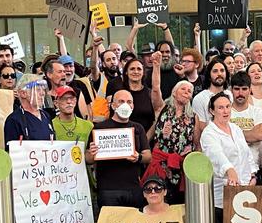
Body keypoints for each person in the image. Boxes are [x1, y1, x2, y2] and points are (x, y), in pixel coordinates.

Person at [3, 75, 66, 223]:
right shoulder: (14, 120)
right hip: (27, 189)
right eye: (36, 89)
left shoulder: (47, 118)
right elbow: (13, 152)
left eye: (42, 89)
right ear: (21, 93)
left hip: (49, 185)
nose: (41, 92)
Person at [200, 92, 258, 223]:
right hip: (221, 196)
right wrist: (229, 170)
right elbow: (216, 155)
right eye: (220, 107)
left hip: (243, 193)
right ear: (212, 111)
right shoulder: (209, 133)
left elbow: (247, 154)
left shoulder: (236, 128)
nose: (225, 111)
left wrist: (252, 174)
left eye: (227, 107)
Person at [49, 85, 93, 223]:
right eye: (64, 99)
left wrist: (90, 157)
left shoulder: (87, 126)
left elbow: (93, 155)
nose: (68, 102)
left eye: (72, 99)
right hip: (59, 186)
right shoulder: (50, 126)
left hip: (84, 184)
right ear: (56, 103)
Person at [86, 89, 151, 213]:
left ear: (133, 106)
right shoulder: (99, 128)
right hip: (108, 190)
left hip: (133, 188)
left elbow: (148, 155)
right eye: (121, 101)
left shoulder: (138, 128)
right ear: (113, 105)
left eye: (129, 102)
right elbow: (88, 159)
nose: (125, 105)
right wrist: (91, 154)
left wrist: (139, 157)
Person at [144, 67, 195, 204]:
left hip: (181, 165)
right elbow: (155, 88)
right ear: (174, 92)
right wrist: (156, 65)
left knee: (179, 204)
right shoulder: (162, 108)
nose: (186, 92)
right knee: (159, 200)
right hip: (161, 164)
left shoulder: (193, 117)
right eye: (183, 89)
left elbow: (197, 141)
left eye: (189, 91)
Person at [229, 72, 262, 168]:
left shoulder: (258, 112)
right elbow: (220, 137)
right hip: (230, 166)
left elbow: (259, 135)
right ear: (231, 90)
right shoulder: (225, 112)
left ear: (250, 90)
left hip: (253, 167)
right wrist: (250, 134)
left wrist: (231, 134)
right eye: (237, 89)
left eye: (244, 89)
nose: (240, 93)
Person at [192, 60, 231, 149]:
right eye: (215, 71)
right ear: (209, 75)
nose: (219, 74)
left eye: (222, 70)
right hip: (211, 145)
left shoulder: (231, 95)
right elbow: (202, 127)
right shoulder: (200, 98)